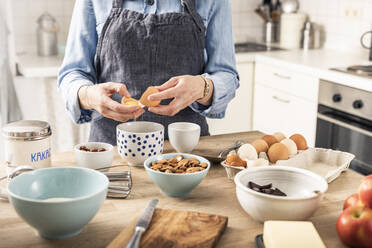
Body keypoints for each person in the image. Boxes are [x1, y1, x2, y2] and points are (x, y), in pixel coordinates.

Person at [58, 0, 239, 145]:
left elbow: (226, 75)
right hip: (110, 153)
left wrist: (202, 87)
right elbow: (73, 73)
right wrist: (89, 95)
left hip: (186, 152)